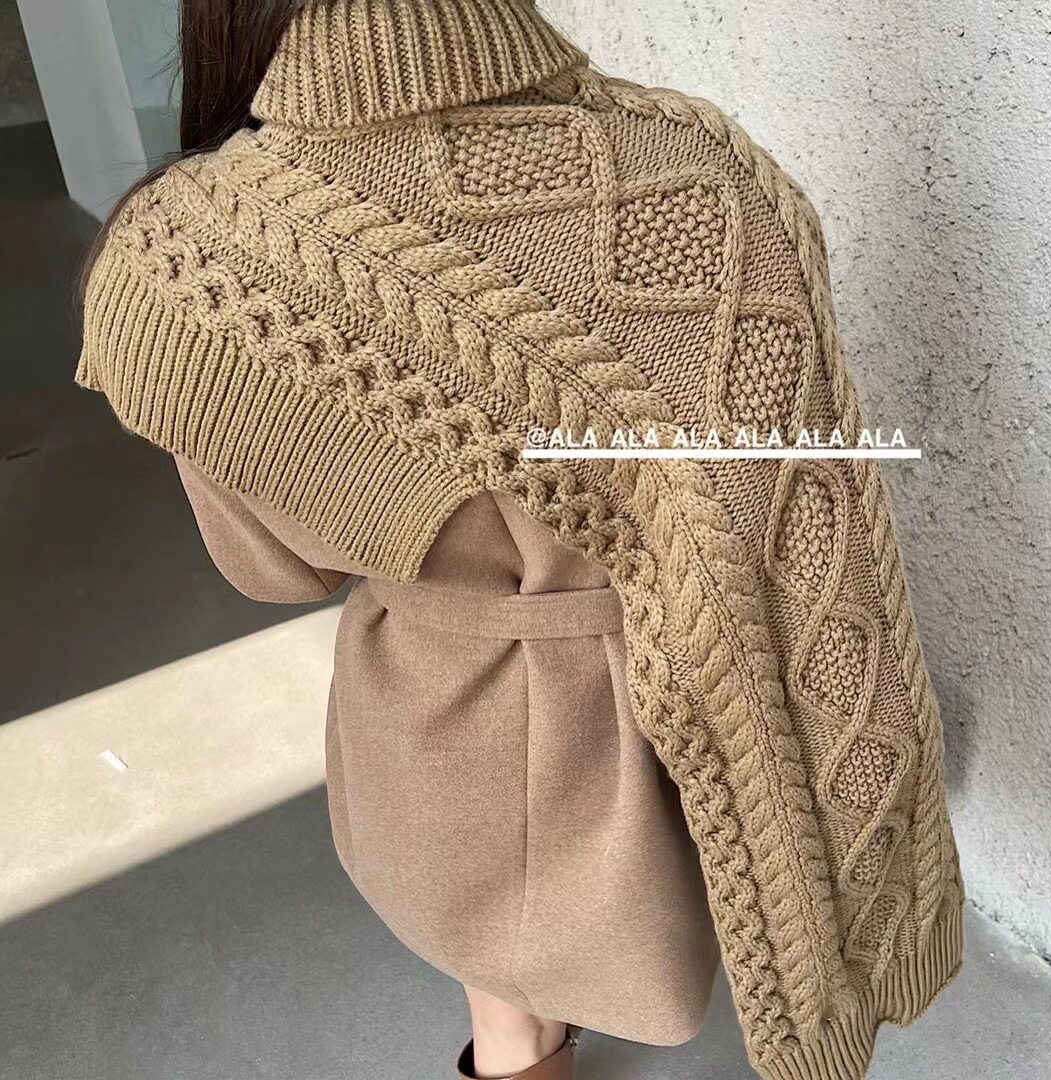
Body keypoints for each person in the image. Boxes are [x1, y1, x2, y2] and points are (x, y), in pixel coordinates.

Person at [78, 2, 964, 1079]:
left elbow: (273, 570)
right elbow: (806, 526)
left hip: (442, 734)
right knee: (567, 970)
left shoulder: (181, 262)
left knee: (506, 1011)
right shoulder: (708, 174)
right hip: (700, 740)